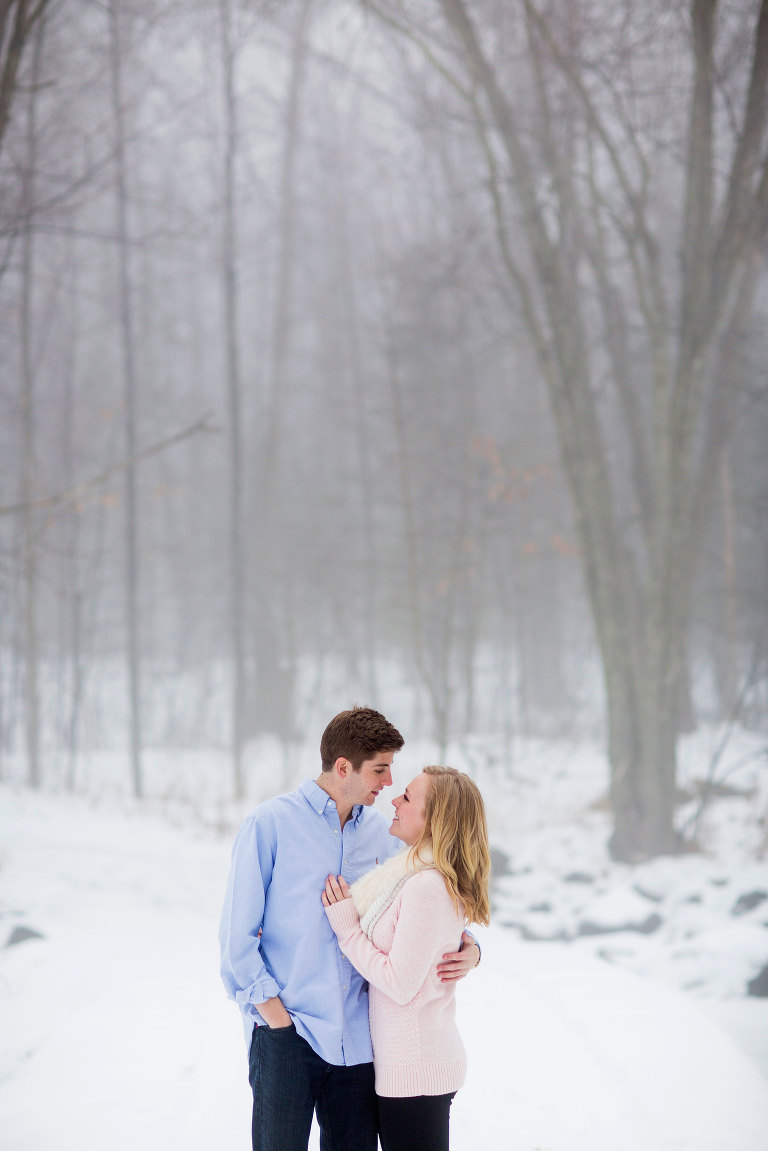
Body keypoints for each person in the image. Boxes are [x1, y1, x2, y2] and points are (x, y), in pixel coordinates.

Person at [219, 707, 480, 1151]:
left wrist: (471, 947)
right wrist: (279, 1023)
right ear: (344, 768)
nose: (389, 784)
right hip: (289, 1036)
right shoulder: (270, 825)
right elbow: (236, 944)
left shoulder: (386, 833)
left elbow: (430, 900)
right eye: (380, 769)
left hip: (359, 1045)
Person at [322, 765, 491, 1151]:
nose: (395, 800)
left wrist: (347, 929)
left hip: (417, 1070)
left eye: (408, 798)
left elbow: (399, 982)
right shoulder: (409, 873)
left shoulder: (428, 885)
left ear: (434, 819)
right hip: (406, 1068)